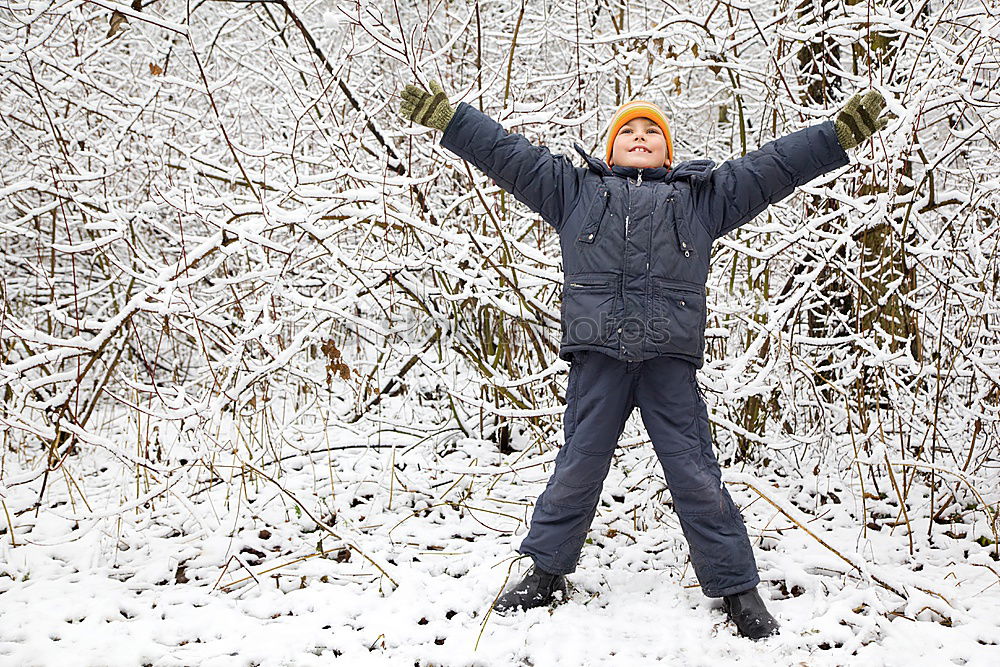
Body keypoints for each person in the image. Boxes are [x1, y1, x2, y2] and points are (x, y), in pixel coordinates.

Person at [398, 81, 890, 640]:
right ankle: (547, 570)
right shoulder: (574, 191)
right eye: (627, 130)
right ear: (609, 148)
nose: (639, 136)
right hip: (598, 358)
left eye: (651, 131)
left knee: (695, 472)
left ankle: (736, 587)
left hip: (667, 361)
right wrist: (449, 117)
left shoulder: (703, 198)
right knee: (579, 463)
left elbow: (772, 167)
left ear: (669, 152)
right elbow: (505, 153)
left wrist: (838, 134)